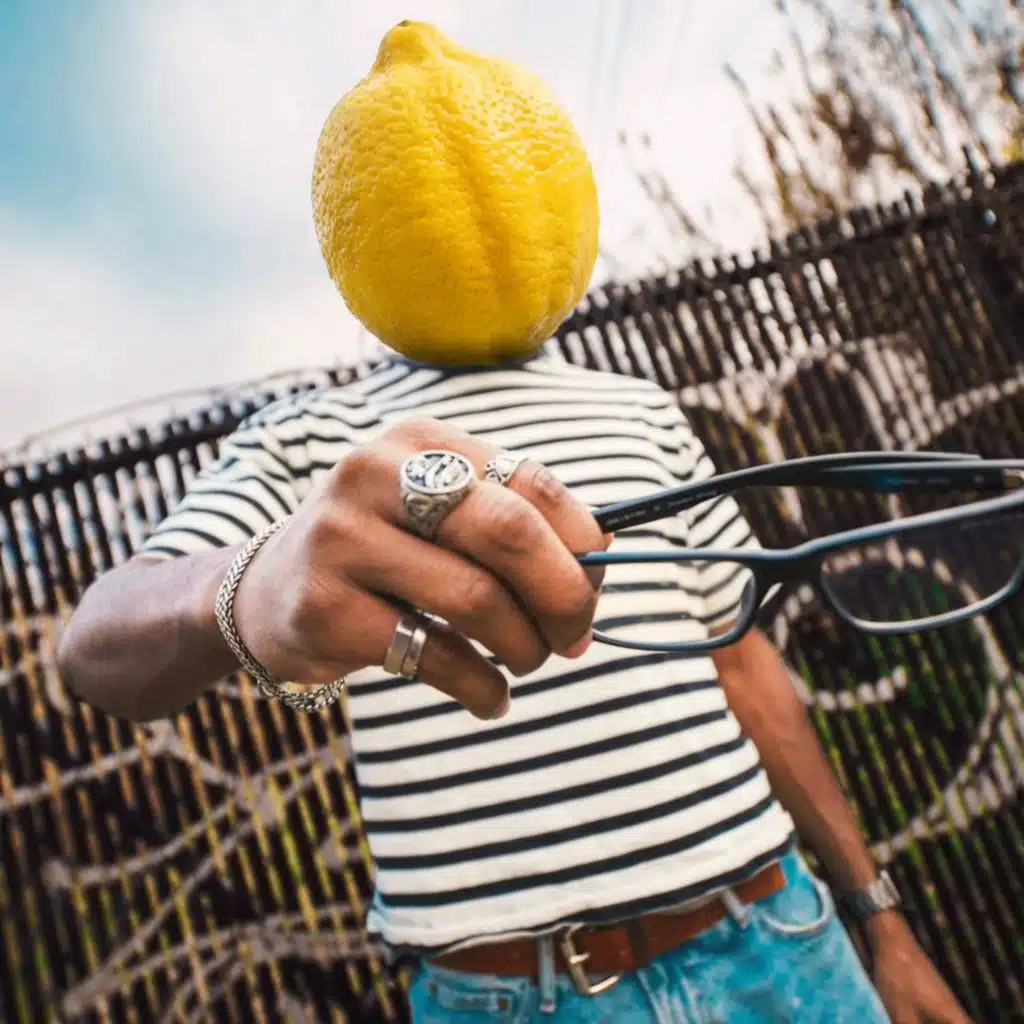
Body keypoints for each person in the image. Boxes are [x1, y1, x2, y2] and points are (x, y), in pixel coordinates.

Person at [58, 350, 971, 1023]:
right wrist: (243, 586)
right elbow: (95, 649)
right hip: (505, 998)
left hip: (781, 943)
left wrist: (880, 918)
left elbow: (744, 665)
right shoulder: (308, 441)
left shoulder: (643, 409)